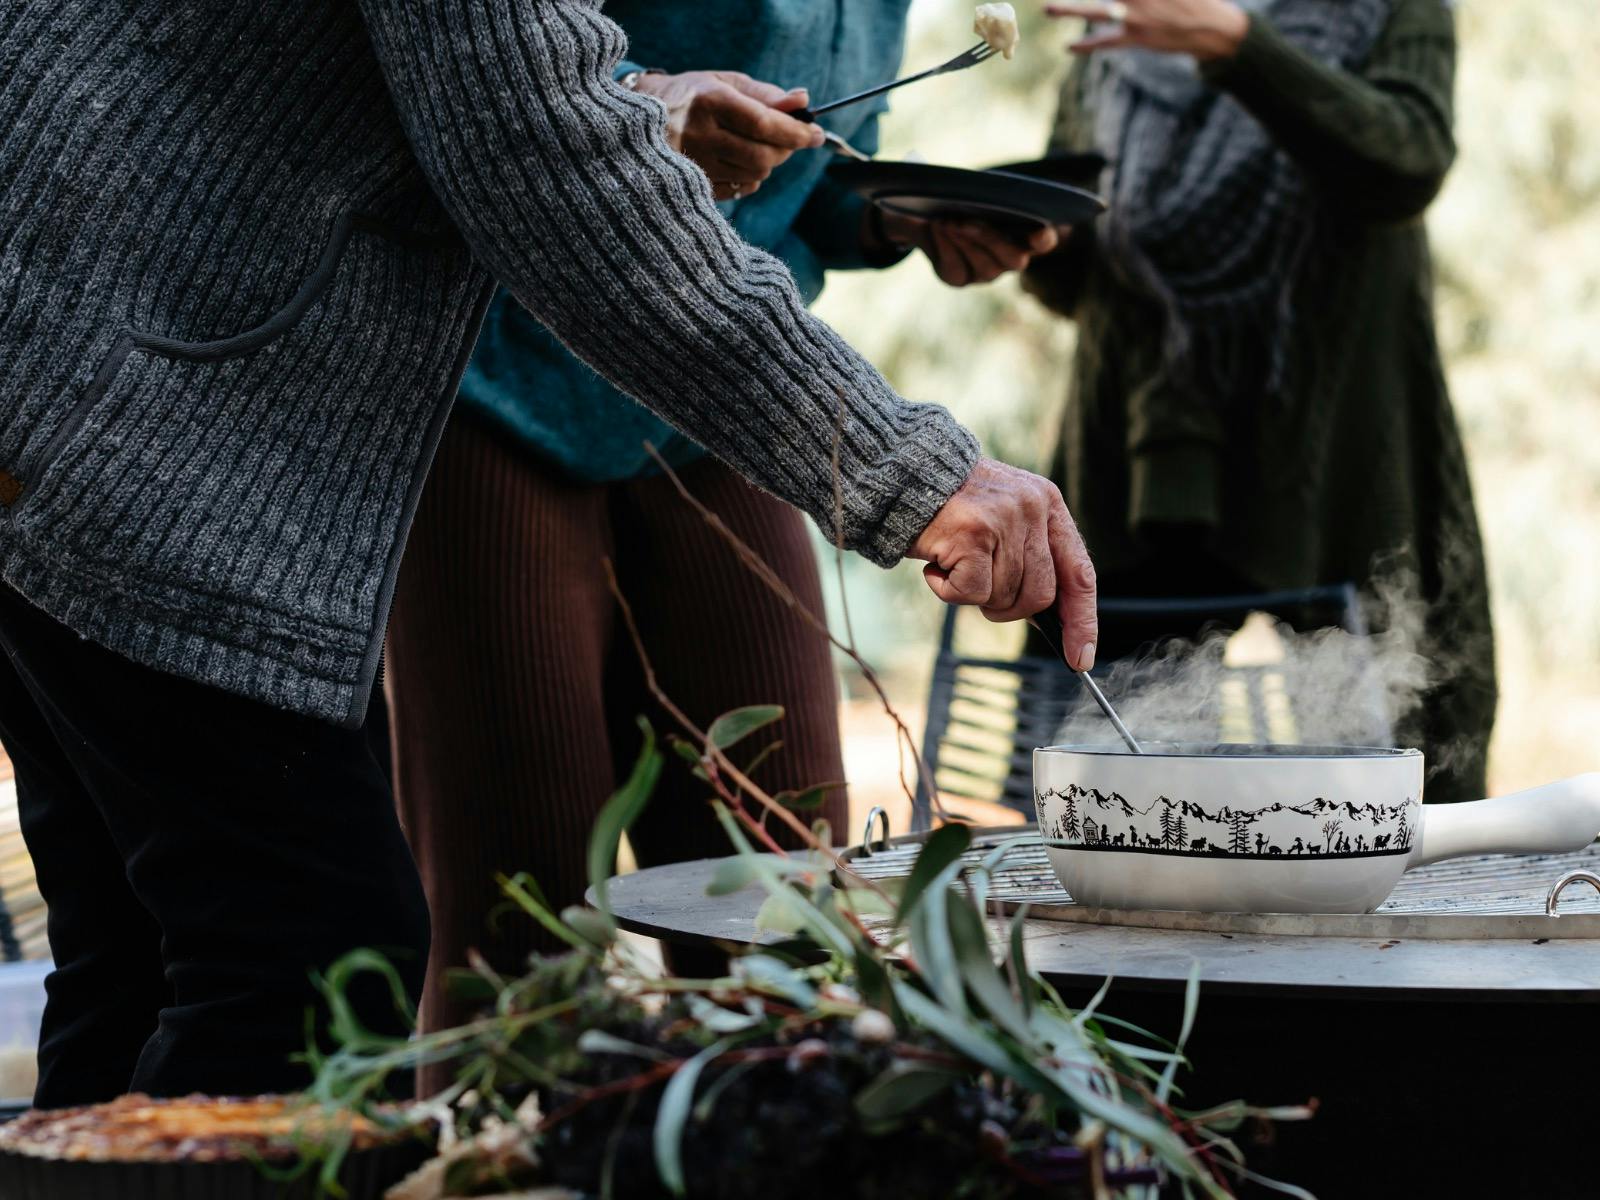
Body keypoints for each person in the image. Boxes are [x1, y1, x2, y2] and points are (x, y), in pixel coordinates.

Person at [0, 1, 1096, 1108]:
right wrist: (901, 466)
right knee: (315, 958)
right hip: (141, 395)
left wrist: (757, 167)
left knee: (150, 951)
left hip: (86, 370)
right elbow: (533, 142)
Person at [385, 0, 1065, 1038]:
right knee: (519, 936)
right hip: (494, 381)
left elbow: (795, 179)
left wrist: (892, 213)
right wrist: (645, 106)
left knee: (787, 907)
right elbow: (480, 79)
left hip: (720, 404)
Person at [1025, 0, 1495, 799]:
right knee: (1098, 793)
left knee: (1390, 797)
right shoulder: (1120, 26)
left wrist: (1240, 47)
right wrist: (1020, 231)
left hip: (1332, 456)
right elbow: (1082, 267)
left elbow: (1407, 159)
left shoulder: (1386, 10)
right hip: (1141, 459)